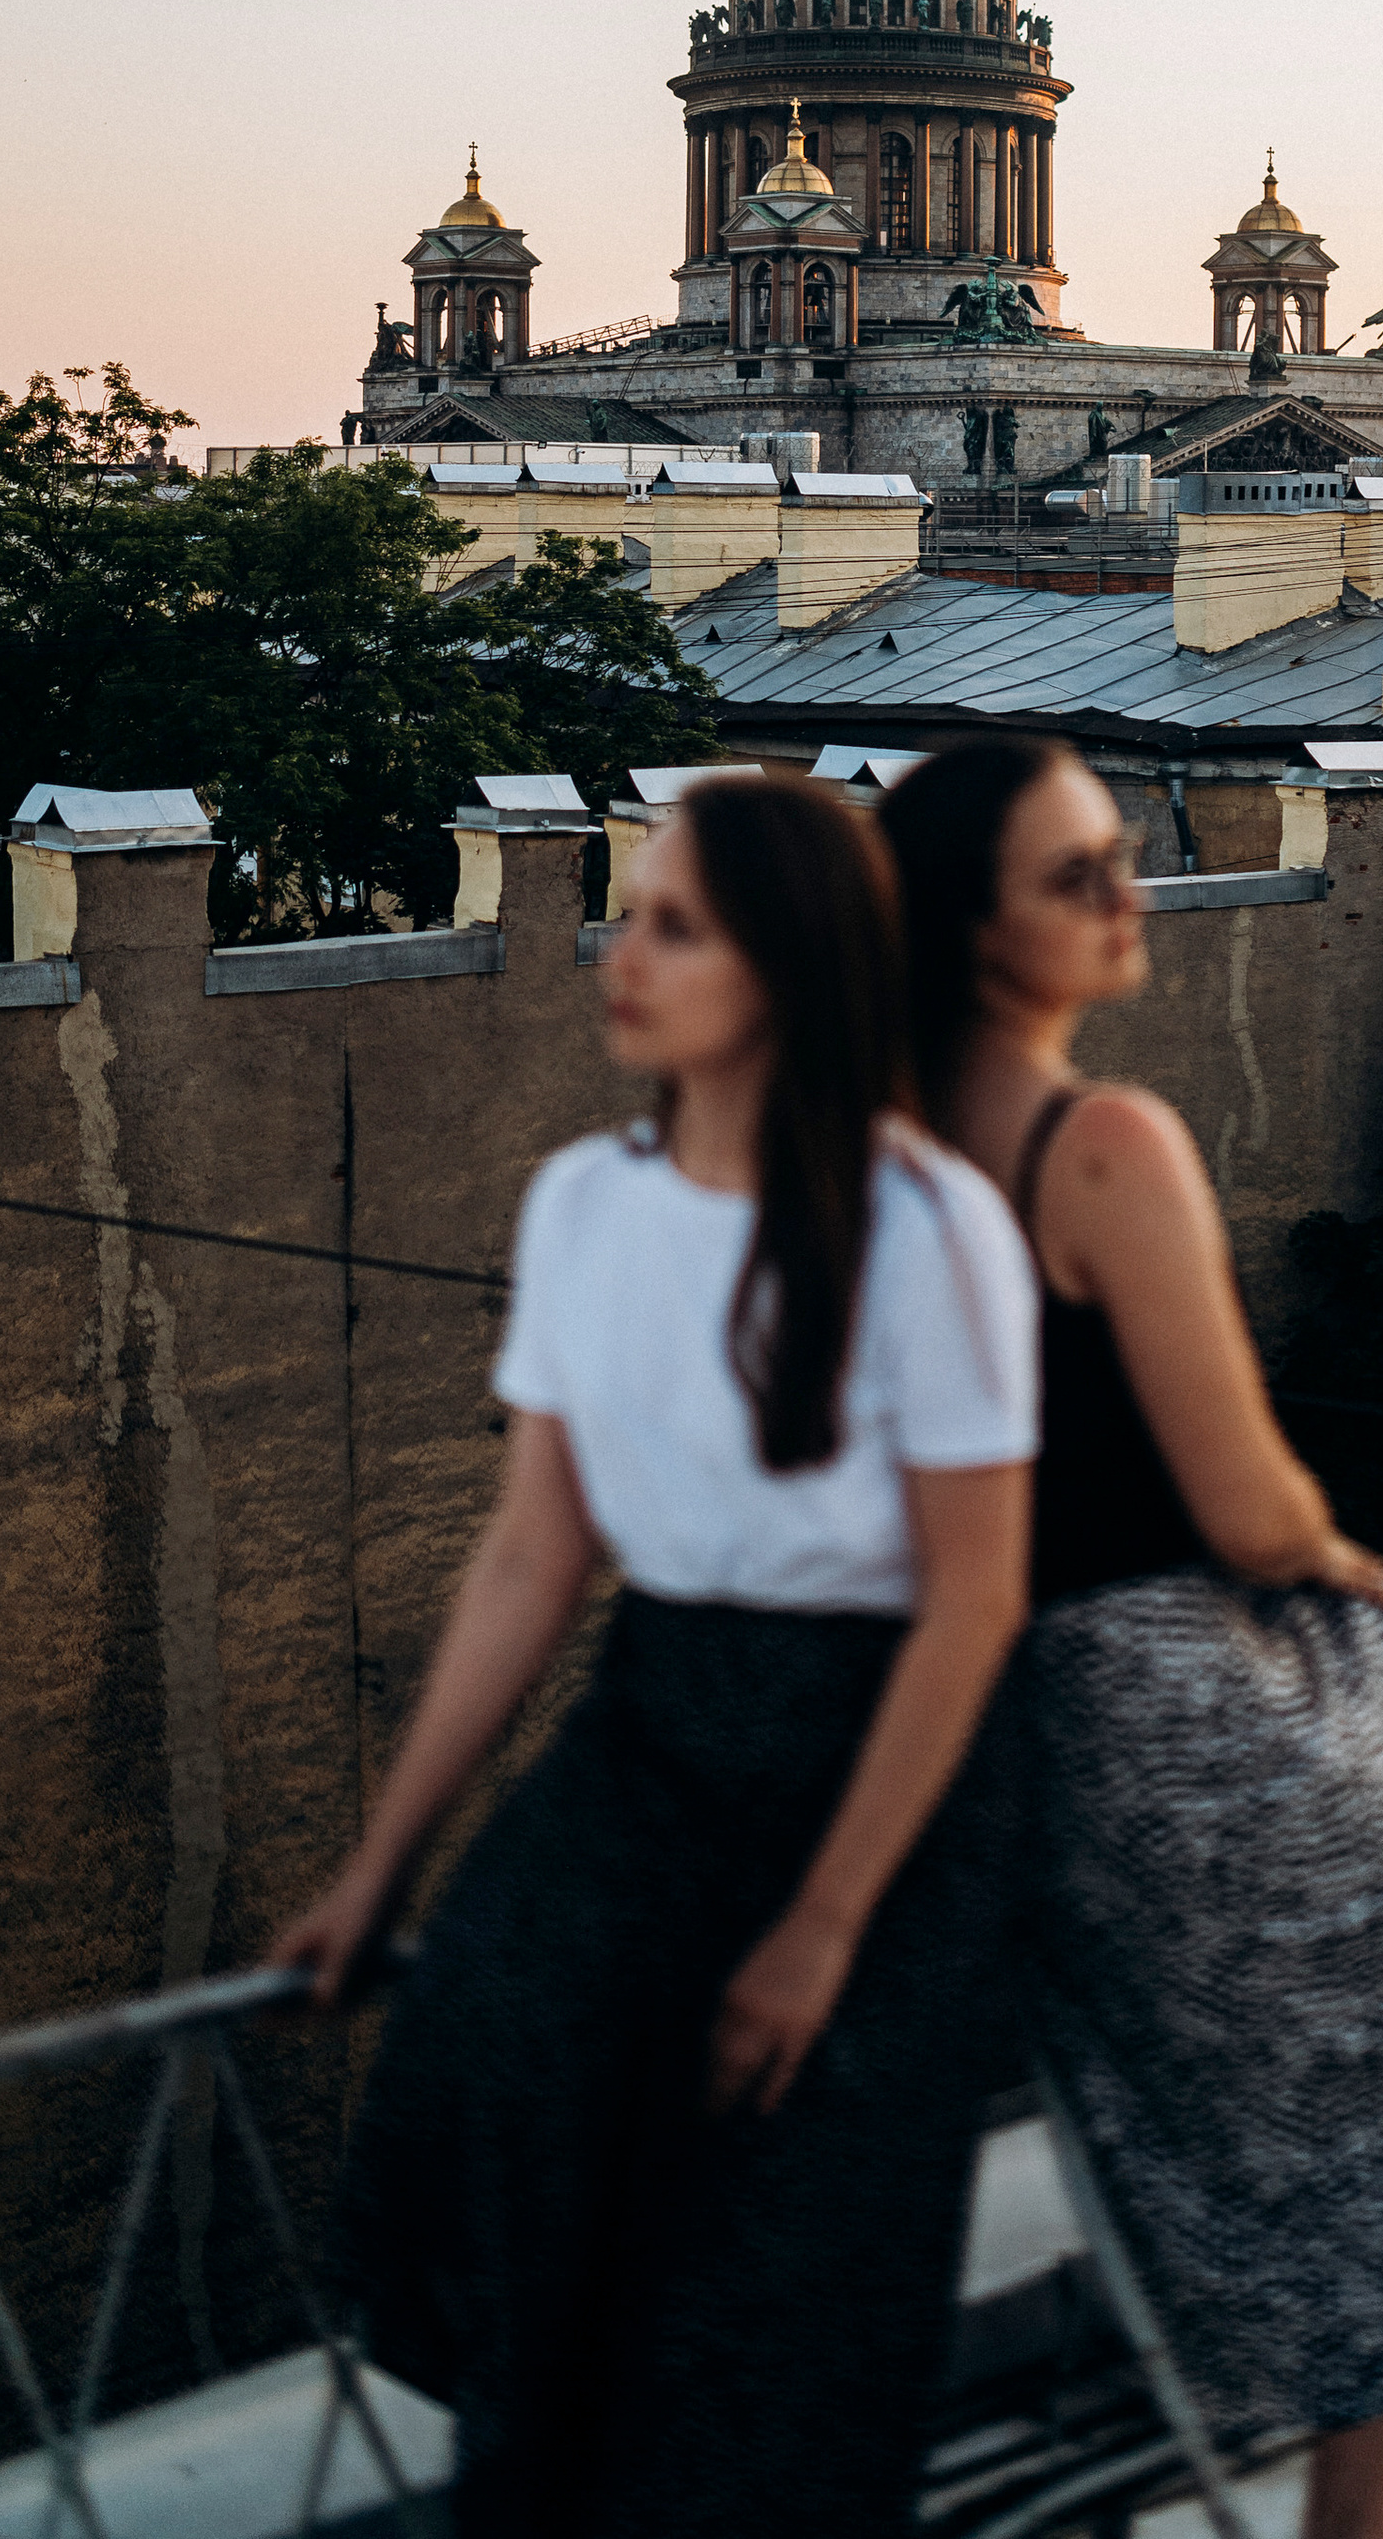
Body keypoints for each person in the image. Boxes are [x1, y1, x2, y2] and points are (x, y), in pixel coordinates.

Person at [881, 736, 1383, 2539]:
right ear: (971, 929)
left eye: (1118, 855)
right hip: (1166, 1702)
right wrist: (1345, 1563)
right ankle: (1356, 2522)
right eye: (1077, 874)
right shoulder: (1102, 1144)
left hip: (986, 1734)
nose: (1129, 893)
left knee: (1268, 2099)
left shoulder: (865, 1154)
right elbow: (1248, 1512)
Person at [275, 770, 1039, 2539]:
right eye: (630, 910)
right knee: (501, 2101)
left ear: (787, 966)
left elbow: (975, 1602)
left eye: (675, 924)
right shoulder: (583, 1209)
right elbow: (536, 1554)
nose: (622, 955)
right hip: (661, 1728)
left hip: (885, 1773)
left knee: (773, 2288)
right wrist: (383, 1868)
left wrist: (827, 1925)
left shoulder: (934, 1236)